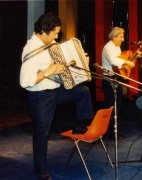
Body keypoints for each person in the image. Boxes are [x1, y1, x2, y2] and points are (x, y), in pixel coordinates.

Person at [20, 13, 94, 180]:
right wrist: (48, 72)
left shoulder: (50, 44)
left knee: (83, 92)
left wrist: (81, 61)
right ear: (44, 31)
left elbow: (63, 62)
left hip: (56, 91)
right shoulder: (31, 50)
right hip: (40, 98)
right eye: (54, 33)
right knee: (42, 134)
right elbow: (25, 81)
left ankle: (81, 125)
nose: (56, 37)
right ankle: (41, 171)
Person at [101, 27, 135, 140]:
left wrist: (127, 64)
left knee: (118, 106)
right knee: (112, 107)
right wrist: (127, 62)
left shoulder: (117, 47)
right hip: (108, 79)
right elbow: (113, 61)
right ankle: (110, 132)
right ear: (114, 36)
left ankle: (113, 130)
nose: (123, 39)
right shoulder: (108, 47)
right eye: (121, 36)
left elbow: (118, 66)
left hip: (115, 78)